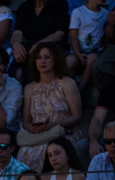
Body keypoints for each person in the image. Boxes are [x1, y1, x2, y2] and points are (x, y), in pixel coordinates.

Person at [16, 43, 82, 171]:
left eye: (47, 57)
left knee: (46, 150)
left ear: (55, 60)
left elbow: (77, 116)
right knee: (22, 152)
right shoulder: (30, 88)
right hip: (39, 136)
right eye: (39, 58)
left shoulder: (67, 83)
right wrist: (32, 127)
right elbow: (25, 121)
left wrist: (54, 124)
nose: (42, 61)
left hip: (63, 134)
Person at [9, 0, 70, 82]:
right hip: (29, 48)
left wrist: (40, 44)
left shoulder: (60, 4)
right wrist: (16, 44)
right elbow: (17, 32)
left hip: (51, 46)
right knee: (17, 72)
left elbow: (59, 33)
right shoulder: (24, 7)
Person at [69, 0, 106, 89]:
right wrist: (78, 54)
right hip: (78, 51)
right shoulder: (78, 12)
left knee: (91, 59)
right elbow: (73, 36)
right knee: (69, 62)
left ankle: (81, 90)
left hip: (96, 52)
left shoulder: (106, 13)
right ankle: (71, 89)